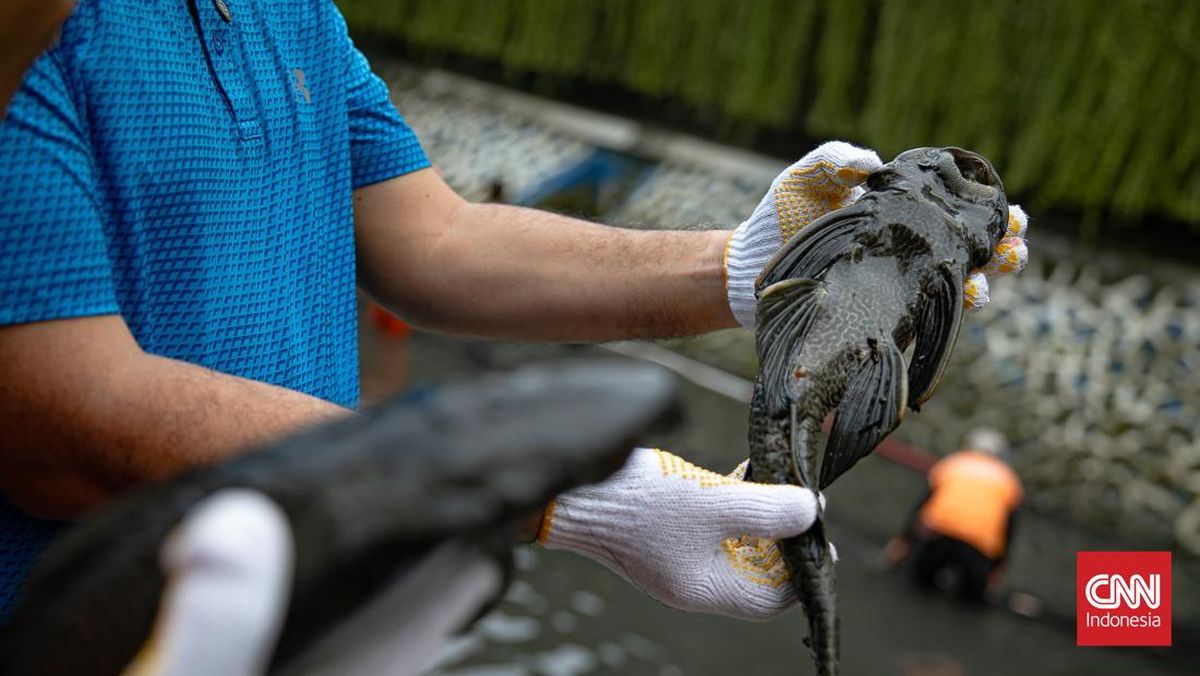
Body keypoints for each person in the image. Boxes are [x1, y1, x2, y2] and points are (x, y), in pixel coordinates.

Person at [0, 0, 1023, 624]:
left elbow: (436, 239)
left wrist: (746, 267)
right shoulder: (31, 24)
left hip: (320, 620)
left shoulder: (289, 7)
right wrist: (556, 489)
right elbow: (57, 410)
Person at [886, 428, 1024, 602]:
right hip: (980, 545)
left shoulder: (953, 463)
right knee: (971, 600)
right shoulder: (1009, 479)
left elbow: (922, 507)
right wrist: (996, 570)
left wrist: (902, 542)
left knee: (917, 584)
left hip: (937, 533)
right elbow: (1009, 530)